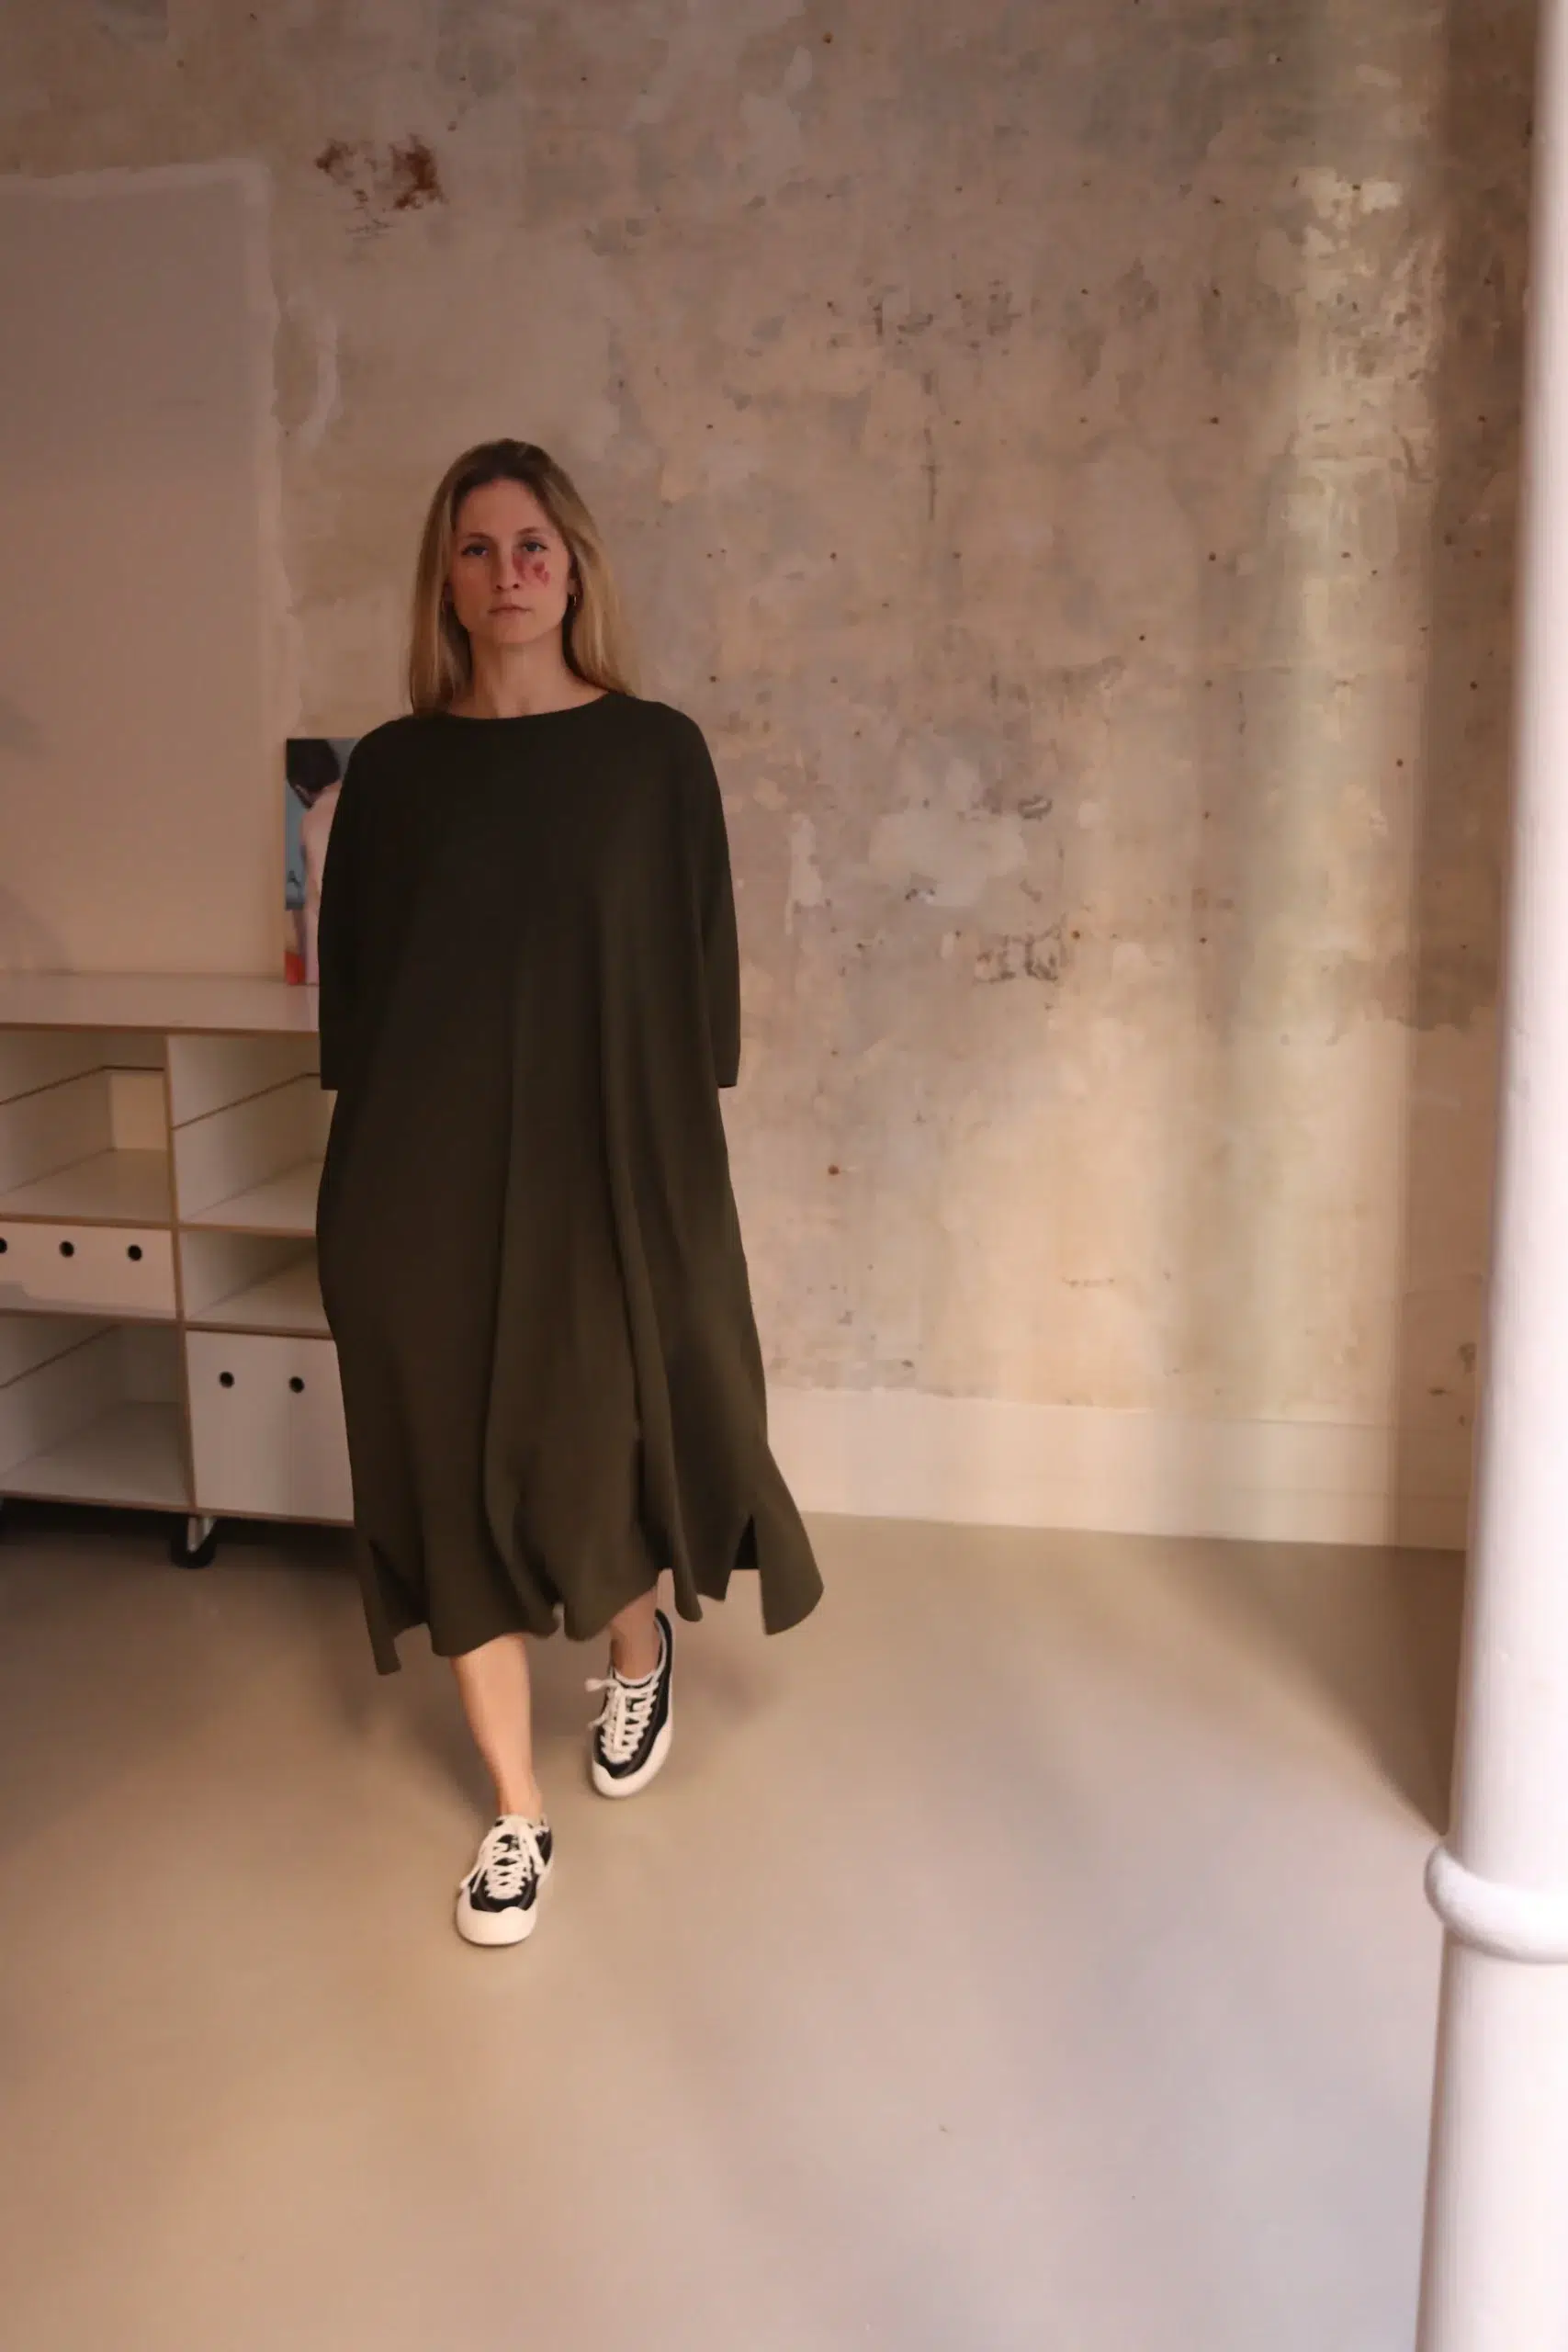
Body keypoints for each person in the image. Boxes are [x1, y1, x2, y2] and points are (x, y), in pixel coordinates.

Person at [313, 439, 823, 1947]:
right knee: (440, 1459)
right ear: (445, 581)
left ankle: (635, 1644)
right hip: (417, 1173)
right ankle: (514, 1816)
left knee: (594, 1438)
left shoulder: (653, 754)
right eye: (475, 549)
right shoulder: (395, 771)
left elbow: (698, 966)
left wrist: (674, 1164)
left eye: (531, 544)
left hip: (604, 1157)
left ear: (575, 566)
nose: (507, 573)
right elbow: (358, 989)